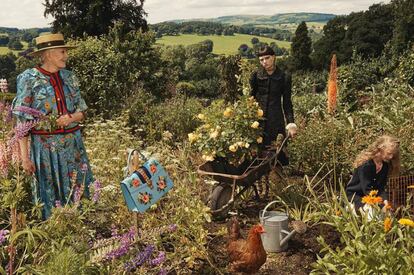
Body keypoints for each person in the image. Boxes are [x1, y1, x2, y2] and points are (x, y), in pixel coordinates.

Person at [12, 33, 94, 219]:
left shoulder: (69, 77)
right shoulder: (28, 79)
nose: (66, 56)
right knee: (51, 194)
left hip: (74, 146)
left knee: (79, 191)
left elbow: (83, 111)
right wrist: (25, 158)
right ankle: (55, 230)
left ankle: (80, 229)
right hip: (46, 150)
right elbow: (22, 121)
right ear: (48, 54)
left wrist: (71, 117)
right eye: (62, 52)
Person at [249, 45, 297, 166]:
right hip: (258, 120)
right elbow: (251, 98)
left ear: (274, 57)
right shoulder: (255, 75)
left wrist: (291, 123)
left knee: (278, 151)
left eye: (267, 58)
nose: (264, 62)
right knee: (257, 154)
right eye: (261, 59)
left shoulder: (284, 77)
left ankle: (282, 177)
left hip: (275, 120)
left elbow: (287, 102)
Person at [346, 135, 400, 213]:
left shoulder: (385, 166)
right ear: (380, 149)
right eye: (389, 153)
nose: (391, 157)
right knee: (371, 212)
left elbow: (381, 188)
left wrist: (385, 201)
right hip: (355, 196)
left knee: (387, 213)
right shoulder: (366, 165)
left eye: (393, 154)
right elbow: (367, 189)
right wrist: (381, 205)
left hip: (371, 197)